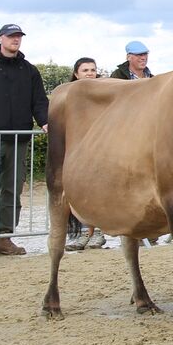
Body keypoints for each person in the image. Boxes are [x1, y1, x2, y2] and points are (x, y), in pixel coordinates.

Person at [0, 23, 48, 256]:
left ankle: (4, 236)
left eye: (18, 36)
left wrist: (45, 121)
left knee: (12, 189)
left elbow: (39, 101)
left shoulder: (29, 70)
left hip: (18, 139)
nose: (15, 40)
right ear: (1, 38)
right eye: (11, 36)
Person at [63, 58, 109, 251]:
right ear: (76, 73)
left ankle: (97, 232)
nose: (90, 73)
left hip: (97, 150)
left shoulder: (104, 94)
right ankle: (82, 233)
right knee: (78, 192)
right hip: (76, 151)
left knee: (97, 190)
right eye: (85, 70)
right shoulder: (68, 95)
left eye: (93, 70)